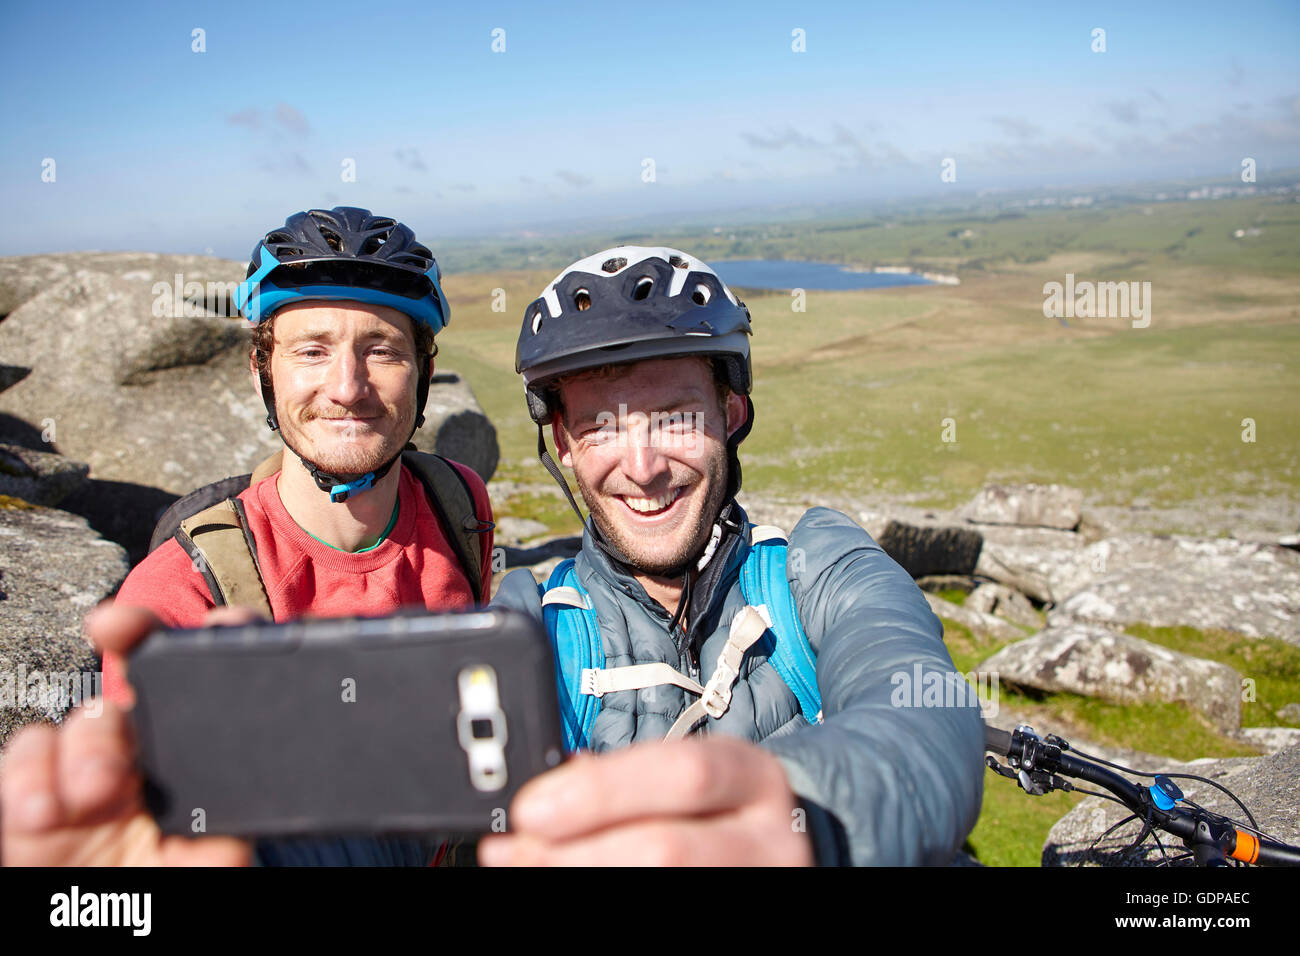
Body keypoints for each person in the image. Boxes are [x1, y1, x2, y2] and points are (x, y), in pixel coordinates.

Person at [0, 207, 493, 867]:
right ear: (262, 367)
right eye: (311, 350)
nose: (347, 388)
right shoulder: (178, 597)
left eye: (382, 349)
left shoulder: (457, 500)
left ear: (424, 372)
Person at [479, 246, 985, 866]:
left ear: (731, 414)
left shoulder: (818, 569)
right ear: (564, 443)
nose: (643, 468)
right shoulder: (529, 626)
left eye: (676, 416)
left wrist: (805, 828)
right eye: (602, 427)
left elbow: (925, 709)